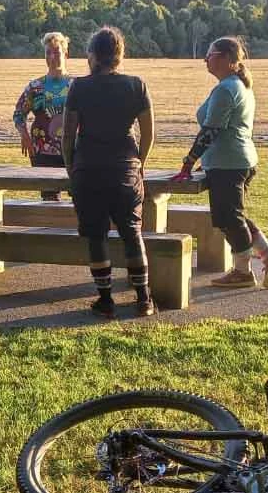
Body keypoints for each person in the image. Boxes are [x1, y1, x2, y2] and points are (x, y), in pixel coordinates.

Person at [170, 36, 268, 289]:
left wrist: (188, 161)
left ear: (224, 58)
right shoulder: (237, 85)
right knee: (234, 216)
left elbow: (211, 130)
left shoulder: (226, 89)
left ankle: (242, 272)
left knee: (229, 219)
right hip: (234, 161)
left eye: (210, 54)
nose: (205, 59)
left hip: (228, 164)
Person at [61, 26, 157, 318]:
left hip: (88, 170)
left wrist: (71, 167)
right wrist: (138, 162)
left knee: (96, 236)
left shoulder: (79, 86)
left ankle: (105, 300)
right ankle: (143, 299)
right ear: (120, 54)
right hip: (125, 169)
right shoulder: (136, 85)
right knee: (132, 232)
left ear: (92, 55)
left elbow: (67, 136)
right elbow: (149, 133)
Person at [13, 32, 73, 200]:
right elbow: (19, 114)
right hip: (42, 151)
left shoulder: (76, 86)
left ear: (66, 54)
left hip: (73, 150)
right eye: (48, 52)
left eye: (57, 52)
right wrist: (24, 135)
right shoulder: (35, 87)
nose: (52, 57)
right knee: (49, 200)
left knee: (79, 199)